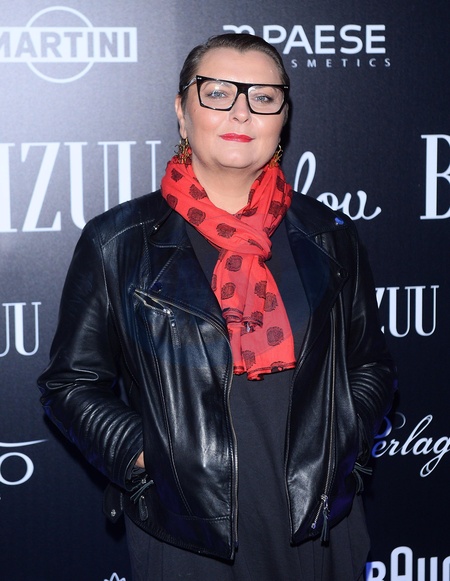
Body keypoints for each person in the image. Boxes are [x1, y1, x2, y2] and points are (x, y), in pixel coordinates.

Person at [38, 33, 396, 581]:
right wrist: (149, 457)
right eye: (218, 93)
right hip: (189, 535)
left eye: (263, 97)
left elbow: (370, 364)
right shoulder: (118, 242)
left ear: (282, 119)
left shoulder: (328, 235)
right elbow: (70, 383)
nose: (241, 112)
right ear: (182, 112)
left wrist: (343, 434)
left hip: (321, 524)